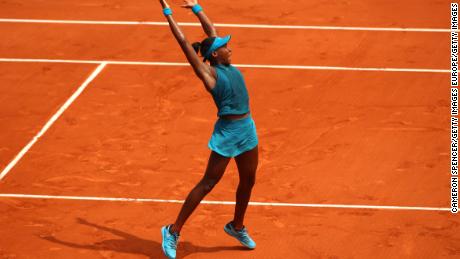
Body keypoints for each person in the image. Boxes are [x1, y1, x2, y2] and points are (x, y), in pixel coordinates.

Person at [157, 0, 259, 258]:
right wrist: (168, 13)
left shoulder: (224, 63)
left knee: (249, 180)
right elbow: (183, 43)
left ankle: (236, 226)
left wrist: (196, 7)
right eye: (224, 47)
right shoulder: (209, 75)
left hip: (247, 128)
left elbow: (211, 31)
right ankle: (173, 230)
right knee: (208, 183)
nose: (229, 48)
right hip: (227, 134)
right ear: (214, 55)